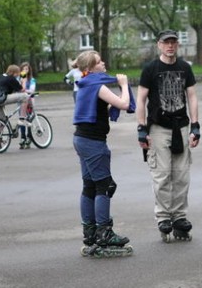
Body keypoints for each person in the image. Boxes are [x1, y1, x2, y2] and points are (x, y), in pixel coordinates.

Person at [136, 29, 200, 242]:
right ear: (159, 45)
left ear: (177, 45)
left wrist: (195, 126)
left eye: (173, 42)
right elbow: (141, 100)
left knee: (181, 175)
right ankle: (164, 217)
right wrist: (141, 129)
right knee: (162, 175)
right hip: (158, 128)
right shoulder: (150, 69)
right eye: (166, 43)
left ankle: (180, 218)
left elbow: (192, 96)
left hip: (180, 127)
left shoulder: (184, 68)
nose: (170, 46)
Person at [73, 50, 134, 257]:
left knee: (90, 186)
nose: (104, 63)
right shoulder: (97, 84)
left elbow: (100, 108)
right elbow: (124, 104)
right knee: (105, 186)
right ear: (90, 68)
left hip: (82, 138)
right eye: (99, 62)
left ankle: (90, 233)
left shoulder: (86, 84)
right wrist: (124, 85)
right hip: (92, 142)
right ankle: (104, 233)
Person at [0, 65, 29, 150]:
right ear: (14, 73)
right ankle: (21, 119)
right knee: (25, 96)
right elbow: (22, 89)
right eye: (17, 74)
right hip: (2, 98)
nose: (18, 75)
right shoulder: (11, 78)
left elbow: (9, 88)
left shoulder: (1, 76)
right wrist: (24, 79)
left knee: (2, 121)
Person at [18, 62, 36, 149]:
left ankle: (29, 137)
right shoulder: (19, 78)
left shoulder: (32, 80)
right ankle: (22, 137)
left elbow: (32, 90)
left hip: (29, 102)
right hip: (21, 101)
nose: (25, 70)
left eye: (27, 69)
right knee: (21, 119)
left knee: (29, 119)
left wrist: (25, 90)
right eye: (24, 69)